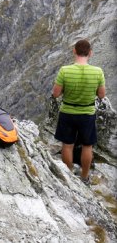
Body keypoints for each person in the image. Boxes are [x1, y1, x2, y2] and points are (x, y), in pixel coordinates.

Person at [52, 39, 106, 184]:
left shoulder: (65, 70)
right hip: (87, 113)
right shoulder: (98, 72)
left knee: (67, 145)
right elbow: (101, 95)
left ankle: (68, 176)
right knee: (87, 145)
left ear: (74, 51)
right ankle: (84, 177)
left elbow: (56, 94)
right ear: (90, 53)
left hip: (67, 112)